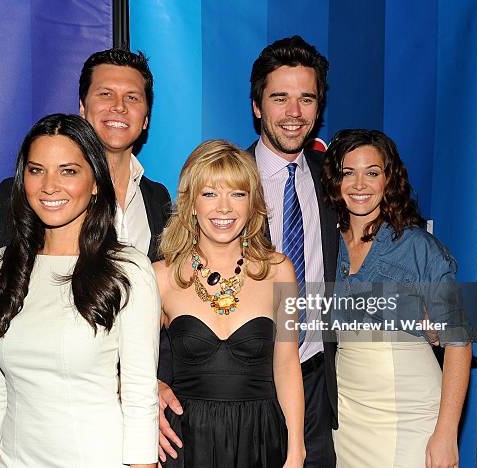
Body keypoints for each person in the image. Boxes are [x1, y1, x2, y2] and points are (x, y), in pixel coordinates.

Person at [159, 36, 338, 468]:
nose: (294, 112)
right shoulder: (163, 271)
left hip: (305, 387)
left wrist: (438, 314)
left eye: (306, 99)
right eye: (280, 97)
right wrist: (149, 385)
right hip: (190, 427)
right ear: (257, 105)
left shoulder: (337, 179)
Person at [0, 114, 160, 467]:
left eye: (68, 171)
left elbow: (139, 396)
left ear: (95, 181)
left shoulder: (128, 270)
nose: (49, 186)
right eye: (36, 170)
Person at [322, 129, 472, 468]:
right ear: (335, 180)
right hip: (348, 417)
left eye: (372, 173)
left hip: (411, 412)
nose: (360, 185)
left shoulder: (419, 247)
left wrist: (446, 433)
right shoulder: (327, 246)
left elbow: (459, 343)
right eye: (349, 173)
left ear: (389, 179)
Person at [153, 140, 305, 467]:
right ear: (191, 204)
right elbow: (122, 356)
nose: (224, 208)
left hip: (262, 440)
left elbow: (287, 363)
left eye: (237, 194)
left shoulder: (281, 271)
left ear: (252, 204)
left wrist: (297, 448)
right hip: (185, 443)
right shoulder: (161, 277)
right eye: (210, 193)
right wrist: (153, 385)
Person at [0, 48, 171, 262]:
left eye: (132, 97)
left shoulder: (158, 199)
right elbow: (1, 283)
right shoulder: (25, 194)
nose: (119, 106)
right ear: (83, 108)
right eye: (106, 94)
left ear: (146, 118)